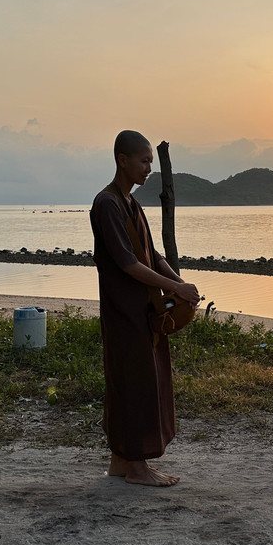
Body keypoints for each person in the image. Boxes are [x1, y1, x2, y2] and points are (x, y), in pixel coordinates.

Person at [89, 130, 201, 487]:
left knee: (138, 382)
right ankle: (137, 467)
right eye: (143, 161)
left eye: (152, 162)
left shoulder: (131, 203)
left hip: (144, 310)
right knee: (134, 384)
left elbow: (152, 256)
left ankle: (121, 461)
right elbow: (127, 263)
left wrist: (180, 285)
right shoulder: (107, 204)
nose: (148, 168)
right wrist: (172, 286)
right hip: (124, 311)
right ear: (123, 160)